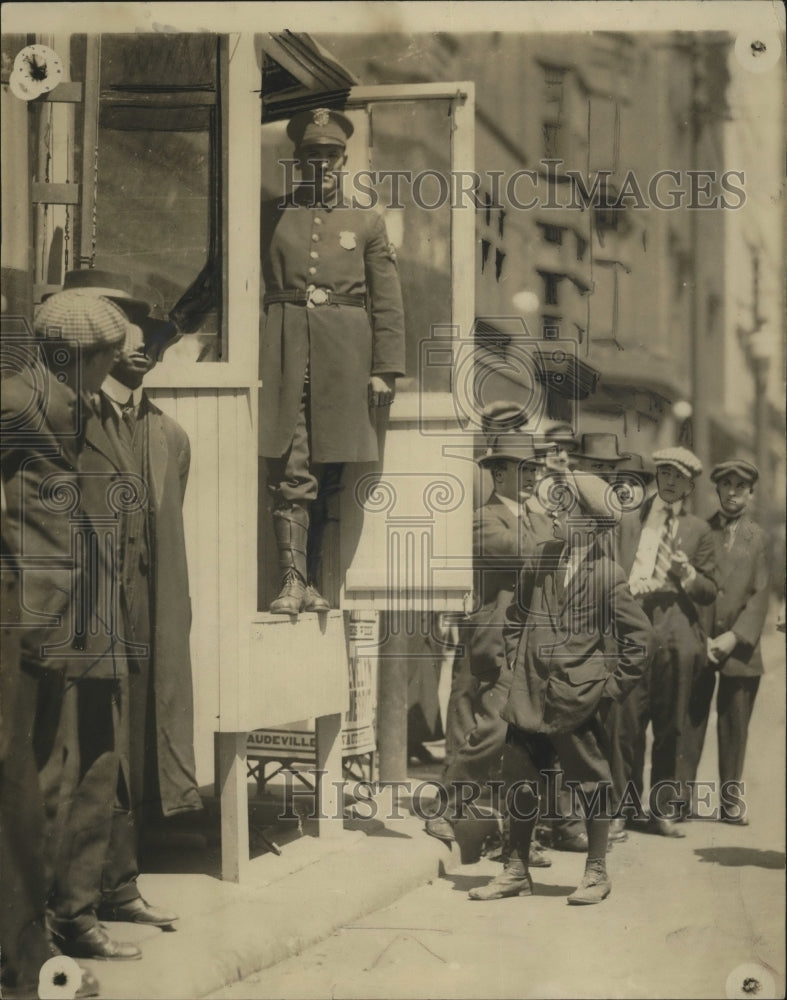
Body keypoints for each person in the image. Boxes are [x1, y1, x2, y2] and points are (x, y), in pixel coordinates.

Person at [1, 290, 134, 976]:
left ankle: (49, 925)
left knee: (61, 768)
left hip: (67, 609)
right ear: (78, 354)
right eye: (108, 355)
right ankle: (31, 938)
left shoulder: (64, 398)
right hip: (32, 613)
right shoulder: (22, 399)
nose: (114, 366)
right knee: (33, 773)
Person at [74, 274, 201, 935]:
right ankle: (77, 898)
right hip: (84, 611)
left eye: (148, 327)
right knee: (87, 750)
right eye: (125, 325)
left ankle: (120, 883)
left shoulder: (166, 435)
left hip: (143, 610)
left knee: (134, 743)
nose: (143, 339)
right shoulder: (69, 415)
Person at [468, 472, 654, 904]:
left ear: (588, 522)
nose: (554, 512)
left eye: (565, 506)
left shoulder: (608, 575)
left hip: (578, 700)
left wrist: (608, 689)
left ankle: (595, 872)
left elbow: (641, 640)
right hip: (529, 695)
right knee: (520, 782)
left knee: (591, 783)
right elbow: (516, 616)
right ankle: (515, 869)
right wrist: (516, 667)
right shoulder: (541, 557)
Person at [260, 107, 405, 615]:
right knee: (291, 461)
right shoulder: (270, 214)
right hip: (282, 349)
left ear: (342, 160)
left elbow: (387, 300)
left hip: (345, 357)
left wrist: (385, 367)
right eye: (311, 156)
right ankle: (292, 582)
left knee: (330, 466)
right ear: (297, 160)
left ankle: (316, 582)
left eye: (330, 156)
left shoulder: (366, 220)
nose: (321, 164)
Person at [425, 404, 555, 864]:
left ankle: (519, 838)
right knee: (491, 730)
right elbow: (517, 551)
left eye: (533, 470)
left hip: (533, 645)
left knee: (527, 744)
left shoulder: (540, 521)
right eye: (521, 469)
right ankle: (446, 805)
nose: (529, 477)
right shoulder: (485, 518)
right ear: (497, 475)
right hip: (495, 642)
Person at [605, 446, 718, 837]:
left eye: (678, 476)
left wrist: (687, 576)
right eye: (664, 472)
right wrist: (625, 587)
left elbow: (708, 591)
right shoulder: (630, 518)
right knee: (625, 722)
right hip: (634, 625)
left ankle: (662, 808)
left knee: (671, 725)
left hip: (676, 631)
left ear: (689, 485)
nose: (669, 481)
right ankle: (622, 806)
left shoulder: (698, 530)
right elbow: (611, 568)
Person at [690, 459, 770, 824]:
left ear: (750, 493)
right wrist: (702, 636)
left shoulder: (760, 538)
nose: (733, 492)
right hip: (702, 640)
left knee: (735, 723)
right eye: (727, 485)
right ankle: (678, 797)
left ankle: (730, 801)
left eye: (741, 486)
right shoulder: (699, 530)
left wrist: (735, 636)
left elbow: (761, 593)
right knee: (690, 718)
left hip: (740, 645)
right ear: (717, 489)